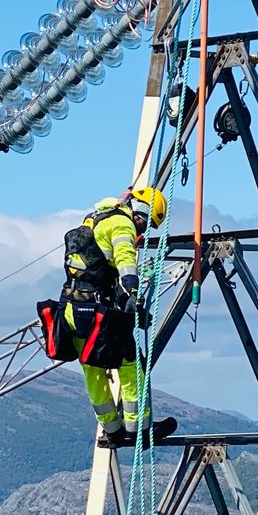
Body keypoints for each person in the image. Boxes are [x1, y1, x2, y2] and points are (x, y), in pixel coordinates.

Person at [48, 186, 177, 448]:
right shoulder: (122, 225)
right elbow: (125, 259)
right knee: (130, 365)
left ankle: (113, 430)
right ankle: (139, 429)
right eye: (146, 223)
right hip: (97, 310)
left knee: (92, 370)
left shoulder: (95, 218)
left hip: (71, 308)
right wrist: (132, 293)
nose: (142, 231)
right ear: (142, 212)